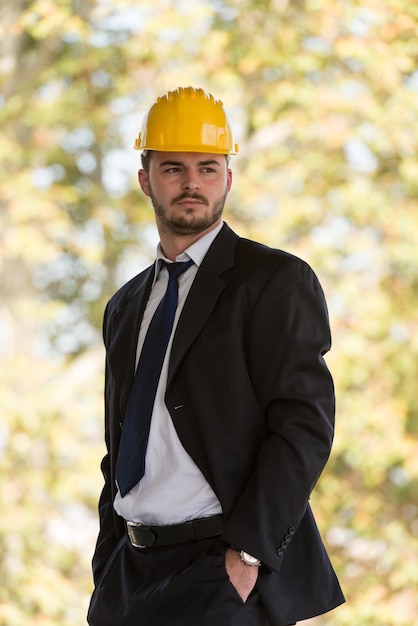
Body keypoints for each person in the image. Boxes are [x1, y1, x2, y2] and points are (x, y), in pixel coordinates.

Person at [87, 86, 344, 626]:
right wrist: (105, 564)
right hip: (128, 578)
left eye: (207, 167)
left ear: (228, 177)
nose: (191, 184)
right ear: (144, 179)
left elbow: (304, 427)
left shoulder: (273, 281)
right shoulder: (125, 306)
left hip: (220, 571)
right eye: (172, 168)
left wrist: (246, 556)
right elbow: (123, 447)